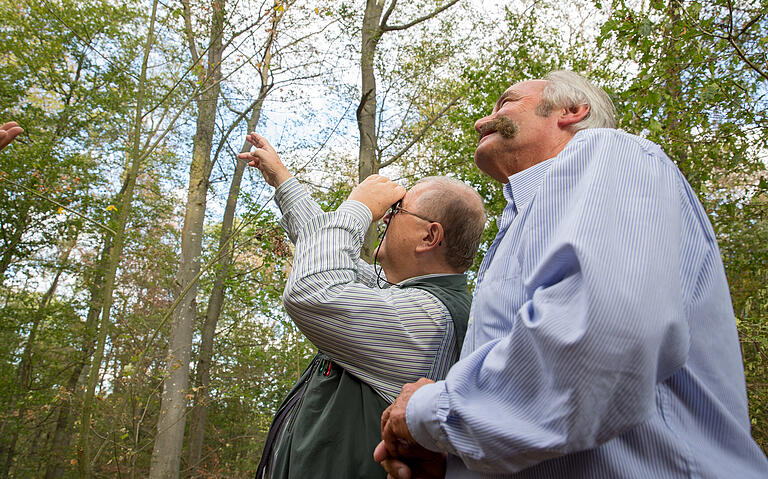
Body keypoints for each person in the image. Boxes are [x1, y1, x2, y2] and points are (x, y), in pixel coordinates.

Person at [375, 70, 768, 478]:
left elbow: (599, 341)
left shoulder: (611, 154)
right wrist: (451, 459)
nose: (480, 122)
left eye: (507, 102)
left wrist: (427, 412)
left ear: (572, 111)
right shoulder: (516, 230)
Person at [238, 133, 486, 478]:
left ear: (429, 237)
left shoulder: (429, 317)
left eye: (397, 211)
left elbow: (314, 286)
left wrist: (359, 206)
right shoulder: (407, 297)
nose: (385, 218)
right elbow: (322, 249)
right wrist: (283, 178)